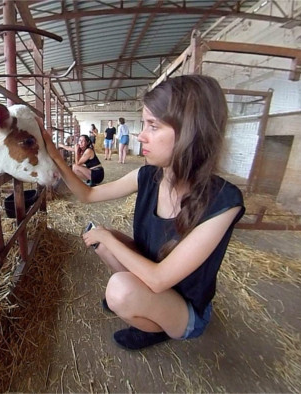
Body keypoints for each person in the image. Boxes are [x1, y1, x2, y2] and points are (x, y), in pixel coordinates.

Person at [40, 75, 245, 350]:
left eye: (153, 125)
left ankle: (156, 327)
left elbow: (160, 279)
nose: (141, 135)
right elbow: (88, 194)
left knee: (120, 288)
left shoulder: (224, 201)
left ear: (190, 133)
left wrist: (111, 239)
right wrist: (53, 153)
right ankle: (142, 307)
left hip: (186, 309)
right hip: (153, 282)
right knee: (102, 240)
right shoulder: (148, 175)